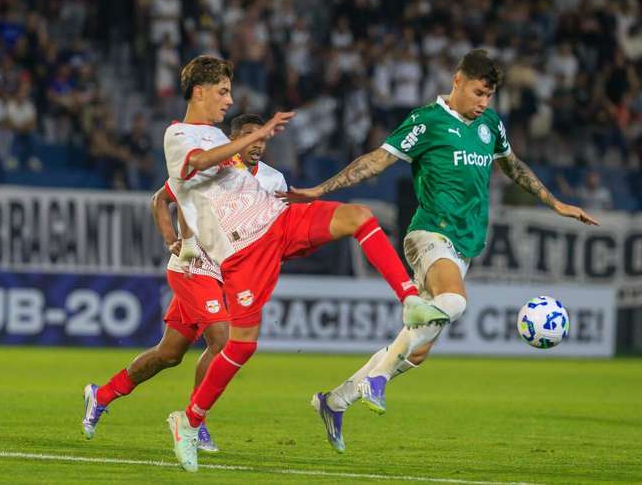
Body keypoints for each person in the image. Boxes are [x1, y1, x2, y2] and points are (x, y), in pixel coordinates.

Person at [282, 49, 599, 453]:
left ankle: (335, 400)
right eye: (479, 92)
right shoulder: (427, 121)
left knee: (419, 350)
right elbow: (376, 161)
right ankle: (375, 380)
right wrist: (319, 190)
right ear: (457, 81)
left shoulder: (489, 124)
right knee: (455, 301)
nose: (484, 102)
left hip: (464, 245)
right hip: (430, 233)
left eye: (489, 96)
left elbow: (513, 165)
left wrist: (555, 203)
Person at [163, 55, 444, 472]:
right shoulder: (180, 135)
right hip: (241, 250)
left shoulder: (219, 137)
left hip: (276, 220)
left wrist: (295, 194)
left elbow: (240, 176)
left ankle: (409, 299)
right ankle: (189, 421)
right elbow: (197, 166)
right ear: (199, 91)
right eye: (222, 91)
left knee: (359, 216)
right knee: (241, 345)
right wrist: (256, 133)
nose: (228, 99)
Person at [81, 113, 287, 452]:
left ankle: (101, 395)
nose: (258, 143)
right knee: (222, 339)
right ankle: (195, 422)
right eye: (249, 136)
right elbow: (161, 199)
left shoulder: (274, 180)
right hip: (193, 267)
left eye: (262, 137)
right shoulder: (213, 167)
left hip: (225, 273)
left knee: (169, 354)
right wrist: (171, 238)